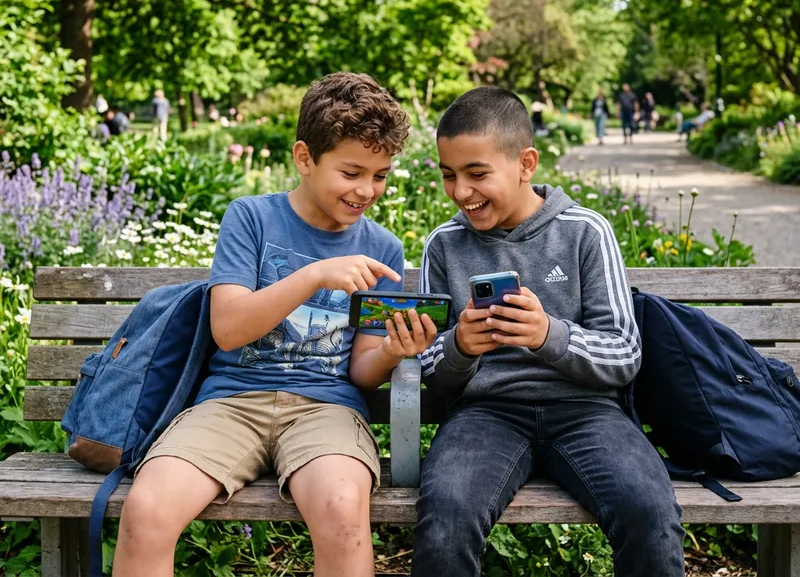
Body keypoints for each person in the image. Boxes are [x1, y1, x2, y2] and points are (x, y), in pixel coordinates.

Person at [113, 73, 437, 577]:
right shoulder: (251, 218)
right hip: (230, 402)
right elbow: (228, 329)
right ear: (305, 158)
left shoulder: (383, 248)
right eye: (352, 172)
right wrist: (313, 276)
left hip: (326, 409)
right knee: (147, 510)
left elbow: (361, 372)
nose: (366, 190)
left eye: (380, 175)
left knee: (341, 512)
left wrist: (395, 350)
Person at [412, 87, 685, 577]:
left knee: (648, 513)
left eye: (477, 174)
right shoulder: (445, 245)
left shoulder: (586, 232)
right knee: (446, 521)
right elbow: (432, 365)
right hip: (485, 414)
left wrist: (547, 334)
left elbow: (624, 354)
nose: (460, 192)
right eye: (448, 175)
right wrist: (459, 348)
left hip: (587, 412)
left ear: (526, 163)